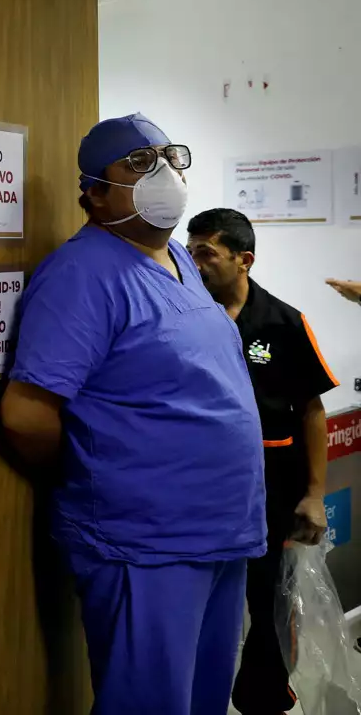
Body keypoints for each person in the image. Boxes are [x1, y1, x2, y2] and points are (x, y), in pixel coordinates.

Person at [0, 114, 266, 715]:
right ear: (95, 193)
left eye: (170, 157)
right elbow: (27, 415)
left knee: (203, 700)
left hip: (220, 531)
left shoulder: (178, 260)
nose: (164, 172)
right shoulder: (80, 275)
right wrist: (100, 474)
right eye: (141, 163)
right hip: (146, 542)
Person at [187, 208, 338, 715]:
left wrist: (314, 494)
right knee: (202, 598)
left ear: (243, 259)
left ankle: (263, 699)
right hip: (200, 487)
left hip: (271, 488)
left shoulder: (283, 321)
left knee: (271, 601)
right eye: (189, 251)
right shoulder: (185, 316)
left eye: (206, 252)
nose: (194, 262)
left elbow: (312, 410)